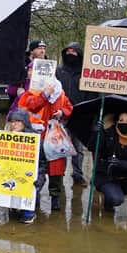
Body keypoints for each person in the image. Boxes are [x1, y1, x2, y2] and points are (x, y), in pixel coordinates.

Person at [18, 77, 73, 211]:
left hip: (55, 137)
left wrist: (62, 112)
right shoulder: (34, 91)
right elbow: (31, 105)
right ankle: (33, 196)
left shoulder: (61, 93)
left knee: (56, 169)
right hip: (37, 136)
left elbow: (69, 107)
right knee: (36, 169)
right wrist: (44, 95)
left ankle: (55, 197)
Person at [88, 112, 127, 224]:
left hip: (126, 179)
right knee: (115, 199)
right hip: (107, 177)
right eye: (121, 120)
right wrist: (96, 132)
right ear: (116, 121)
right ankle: (109, 198)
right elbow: (92, 147)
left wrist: (120, 163)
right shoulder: (108, 132)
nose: (124, 123)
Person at [56, 42, 93, 187]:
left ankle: (77, 174)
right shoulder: (58, 72)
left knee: (78, 148)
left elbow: (91, 94)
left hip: (79, 115)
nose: (71, 54)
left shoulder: (86, 73)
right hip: (61, 115)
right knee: (60, 147)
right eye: (68, 51)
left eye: (74, 51)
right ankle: (59, 174)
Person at [6, 109, 47, 224]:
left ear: (24, 122)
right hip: (14, 174)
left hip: (32, 176)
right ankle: (13, 205)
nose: (13, 124)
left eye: (17, 121)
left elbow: (43, 162)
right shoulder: (6, 138)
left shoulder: (36, 140)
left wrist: (39, 178)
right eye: (12, 121)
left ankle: (29, 210)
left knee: (30, 187)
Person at [7, 40, 47, 105]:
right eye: (39, 48)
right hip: (20, 105)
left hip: (38, 104)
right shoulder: (20, 65)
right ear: (31, 51)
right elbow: (10, 89)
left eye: (44, 49)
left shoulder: (47, 66)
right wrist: (18, 91)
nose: (42, 51)